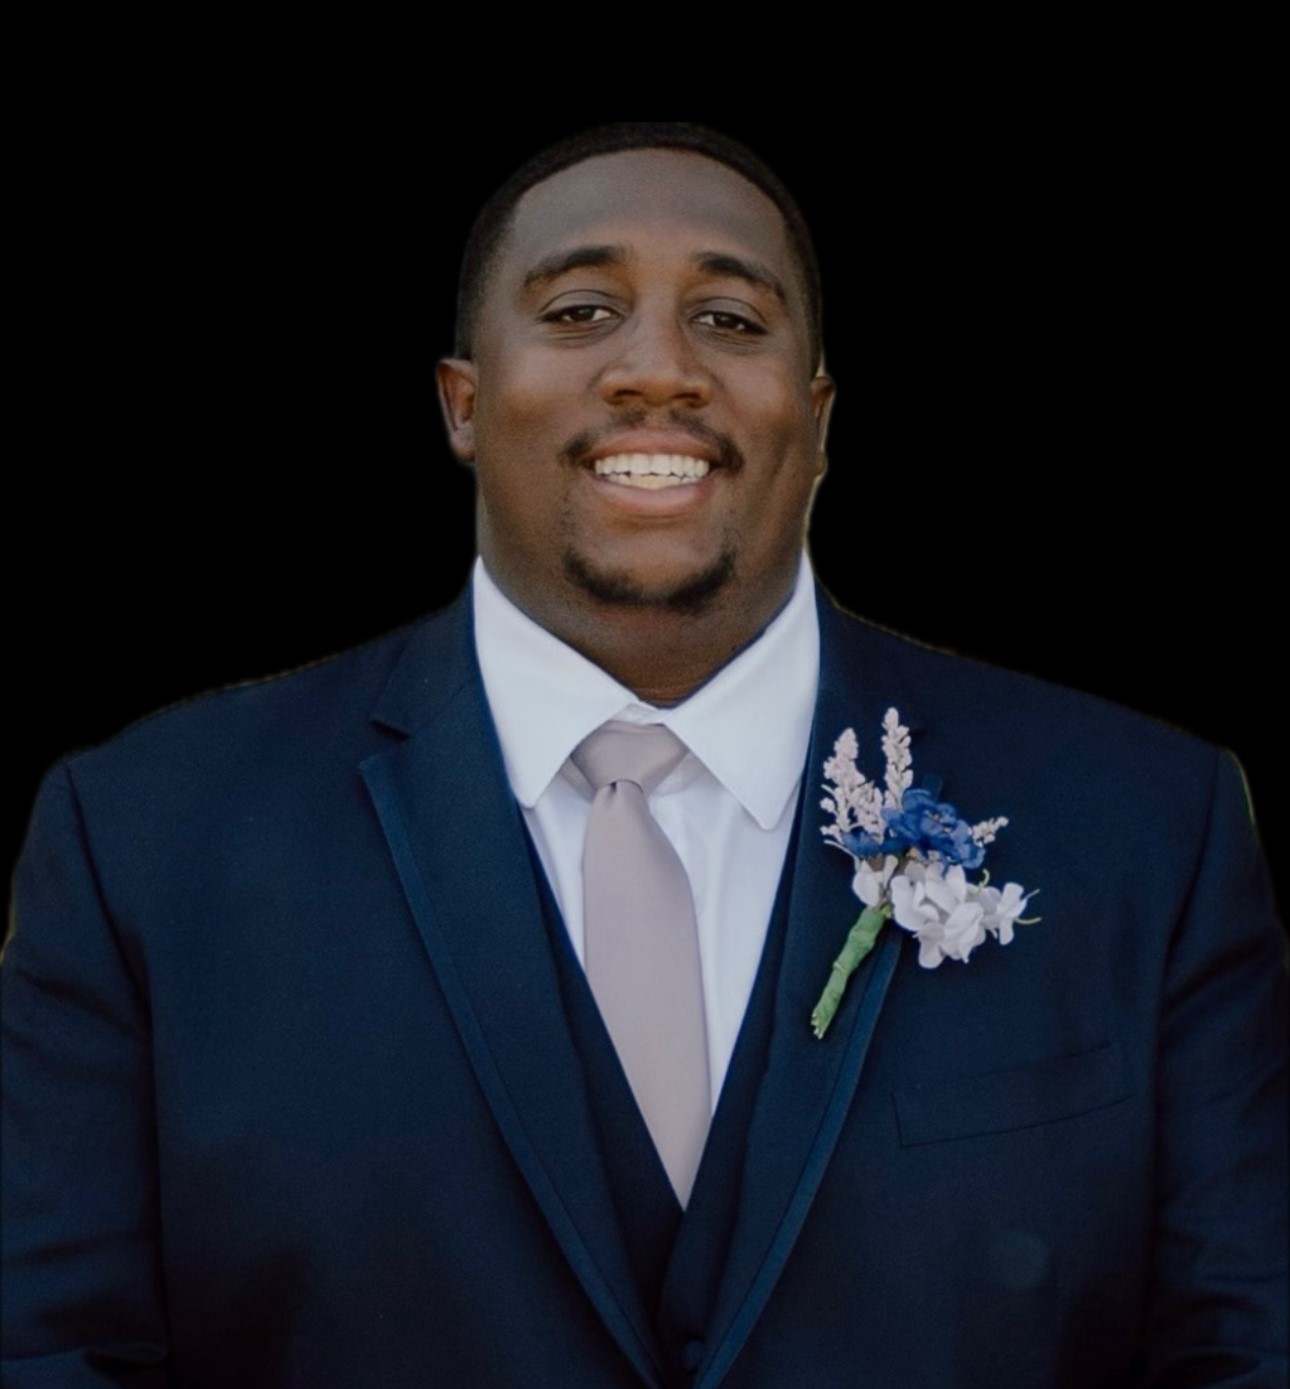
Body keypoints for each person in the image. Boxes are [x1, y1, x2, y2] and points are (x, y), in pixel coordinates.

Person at [2, 122, 1285, 1388]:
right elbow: (54, 1351)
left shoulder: (1148, 831)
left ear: (818, 417)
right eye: (579, 313)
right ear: (461, 403)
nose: (659, 370)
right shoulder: (142, 846)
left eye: (730, 319)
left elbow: (1242, 1345)